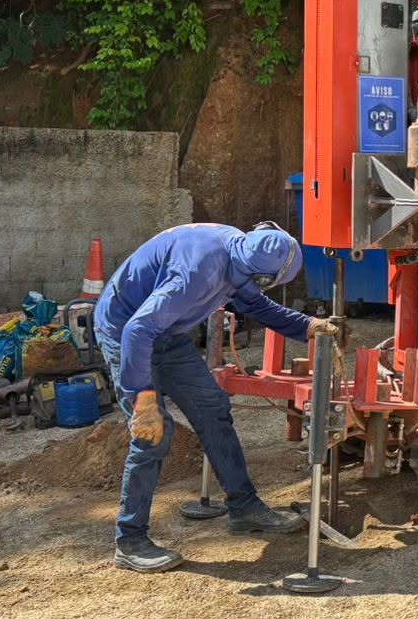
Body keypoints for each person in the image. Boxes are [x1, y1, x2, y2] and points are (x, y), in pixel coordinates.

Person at [94, 221, 345, 574]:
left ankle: (244, 507)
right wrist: (144, 399)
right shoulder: (196, 273)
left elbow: (255, 305)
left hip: (165, 332)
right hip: (127, 333)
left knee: (213, 409)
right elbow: (139, 329)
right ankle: (130, 540)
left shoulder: (238, 252)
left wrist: (307, 326)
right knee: (153, 433)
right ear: (259, 276)